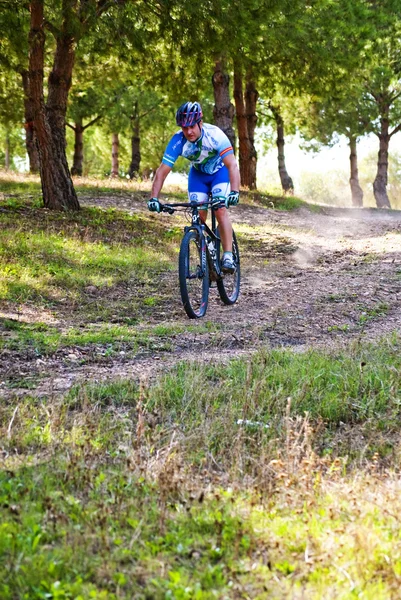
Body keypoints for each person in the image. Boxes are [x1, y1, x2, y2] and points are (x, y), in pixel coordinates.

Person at [147, 101, 240, 273]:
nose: (188, 131)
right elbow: (162, 171)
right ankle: (206, 256)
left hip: (220, 173)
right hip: (198, 176)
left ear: (200, 123)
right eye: (184, 128)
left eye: (191, 126)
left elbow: (232, 166)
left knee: (219, 209)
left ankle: (227, 255)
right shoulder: (178, 140)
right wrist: (154, 198)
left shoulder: (215, 135)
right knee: (198, 215)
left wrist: (235, 192)